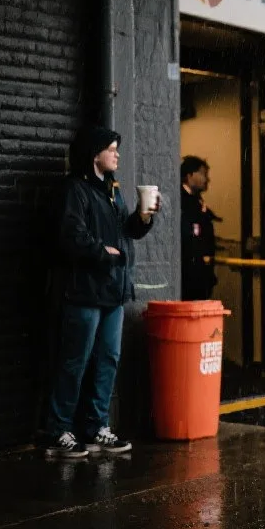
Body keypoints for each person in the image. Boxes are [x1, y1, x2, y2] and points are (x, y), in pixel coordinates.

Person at [41, 127, 159, 459]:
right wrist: (101, 253)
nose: (117, 154)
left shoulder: (112, 190)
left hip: (112, 292)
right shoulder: (74, 190)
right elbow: (70, 235)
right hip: (82, 292)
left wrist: (143, 216)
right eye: (111, 149)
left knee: (108, 360)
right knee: (74, 361)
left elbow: (125, 231)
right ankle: (57, 430)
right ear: (95, 154)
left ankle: (96, 428)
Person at [180, 156, 218, 301]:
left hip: (201, 273)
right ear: (190, 175)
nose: (206, 179)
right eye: (203, 174)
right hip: (190, 274)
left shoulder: (197, 200)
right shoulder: (182, 201)